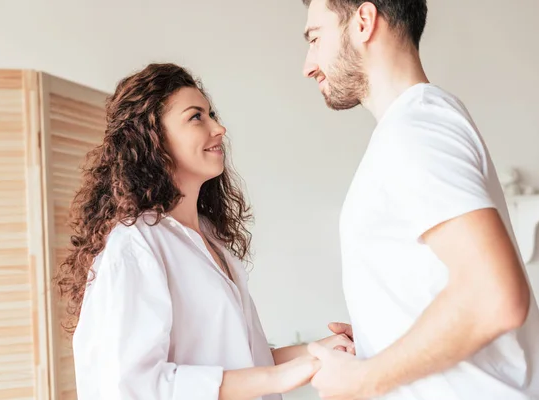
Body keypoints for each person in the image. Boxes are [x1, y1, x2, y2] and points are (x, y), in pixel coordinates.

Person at [54, 63, 354, 400]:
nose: (219, 128)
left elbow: (245, 363)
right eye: (197, 117)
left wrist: (317, 351)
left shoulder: (209, 239)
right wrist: (281, 377)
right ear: (153, 139)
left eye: (212, 114)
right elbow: (132, 385)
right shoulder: (135, 246)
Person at [300, 0, 539, 399]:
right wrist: (384, 333)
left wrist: (362, 380)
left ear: (363, 21)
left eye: (314, 38)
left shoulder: (416, 129)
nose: (308, 64)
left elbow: (494, 297)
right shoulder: (416, 124)